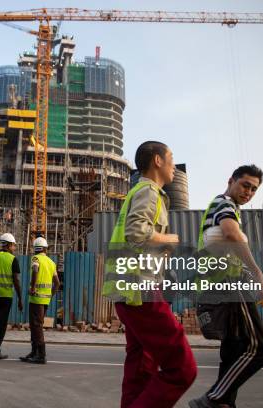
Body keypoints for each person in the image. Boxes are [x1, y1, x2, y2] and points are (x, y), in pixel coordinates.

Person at [103, 141, 197, 408]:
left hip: (127, 291)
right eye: (171, 158)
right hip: (140, 289)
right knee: (183, 368)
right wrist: (169, 238)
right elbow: (137, 233)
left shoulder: (138, 192)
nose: (173, 167)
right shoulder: (149, 191)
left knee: (141, 367)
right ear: (157, 161)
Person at [189, 165, 263, 408]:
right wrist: (258, 274)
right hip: (227, 287)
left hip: (221, 286)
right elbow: (231, 235)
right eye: (245, 185)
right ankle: (214, 399)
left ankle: (224, 403)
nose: (249, 192)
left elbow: (226, 251)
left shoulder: (227, 207)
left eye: (254, 189)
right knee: (260, 348)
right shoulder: (224, 203)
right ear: (231, 181)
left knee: (234, 350)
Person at [20, 237, 60, 364]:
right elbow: (57, 284)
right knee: (36, 325)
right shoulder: (51, 262)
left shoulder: (36, 259)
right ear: (45, 248)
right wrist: (50, 295)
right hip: (45, 300)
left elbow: (35, 270)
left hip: (36, 299)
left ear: (35, 249)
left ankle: (41, 355)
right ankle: (34, 352)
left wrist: (32, 288)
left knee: (36, 326)